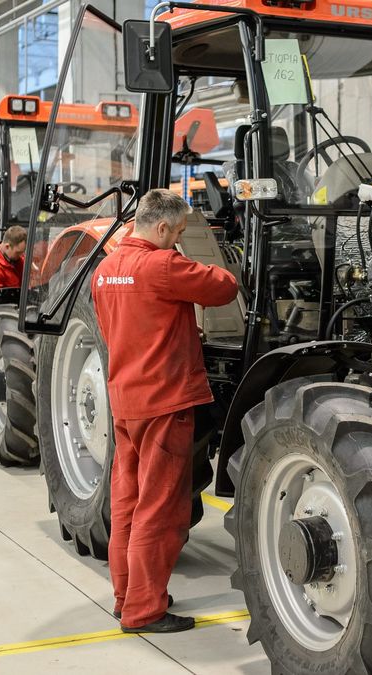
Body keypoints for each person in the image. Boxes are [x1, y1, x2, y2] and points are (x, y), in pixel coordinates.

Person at [91, 189, 238, 634]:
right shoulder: (163, 266)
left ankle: (126, 597)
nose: (177, 240)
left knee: (128, 505)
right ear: (160, 228)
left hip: (126, 403)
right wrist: (218, 262)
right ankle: (145, 611)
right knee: (160, 510)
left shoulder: (104, 270)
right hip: (165, 403)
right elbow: (223, 288)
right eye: (176, 233)